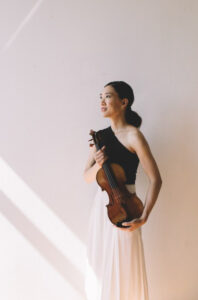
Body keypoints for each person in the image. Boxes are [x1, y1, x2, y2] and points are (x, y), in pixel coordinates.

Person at [83, 81, 162, 300]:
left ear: (123, 102)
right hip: (102, 208)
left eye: (108, 96)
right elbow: (86, 177)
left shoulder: (134, 135)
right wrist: (98, 165)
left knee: (126, 266)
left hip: (127, 207)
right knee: (100, 266)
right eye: (101, 96)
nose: (102, 101)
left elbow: (156, 179)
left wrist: (144, 216)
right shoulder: (98, 137)